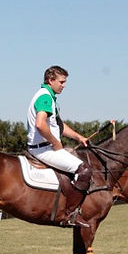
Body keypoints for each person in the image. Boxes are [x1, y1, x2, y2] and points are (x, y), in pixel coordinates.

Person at [26, 65, 92, 227]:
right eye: (61, 82)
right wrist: (56, 143)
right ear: (51, 80)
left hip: (43, 146)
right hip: (43, 149)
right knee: (84, 170)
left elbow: (59, 126)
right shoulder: (45, 97)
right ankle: (70, 213)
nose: (64, 85)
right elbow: (40, 124)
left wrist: (78, 137)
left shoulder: (48, 97)